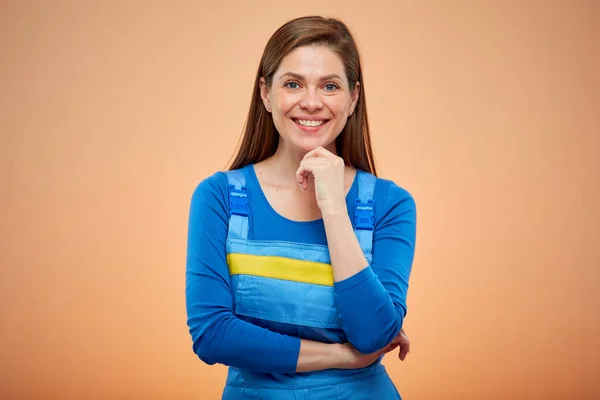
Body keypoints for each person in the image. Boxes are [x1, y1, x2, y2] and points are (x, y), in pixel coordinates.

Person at [185, 15, 417, 400]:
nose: (311, 102)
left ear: (353, 97)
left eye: (329, 86)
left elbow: (374, 333)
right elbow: (212, 334)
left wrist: (333, 207)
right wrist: (341, 356)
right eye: (293, 84)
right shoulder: (219, 197)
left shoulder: (390, 205)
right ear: (266, 93)